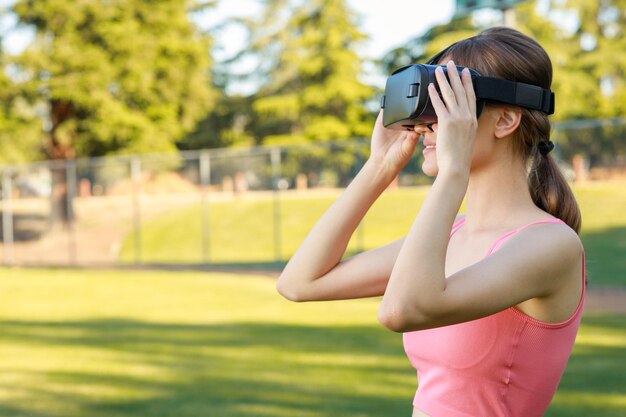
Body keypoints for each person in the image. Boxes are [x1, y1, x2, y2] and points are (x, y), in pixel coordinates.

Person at [276, 26, 585, 417]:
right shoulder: (455, 234)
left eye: (447, 104)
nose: (425, 124)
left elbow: (402, 310)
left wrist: (452, 172)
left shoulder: (550, 245)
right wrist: (378, 168)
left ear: (505, 121)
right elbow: (299, 283)